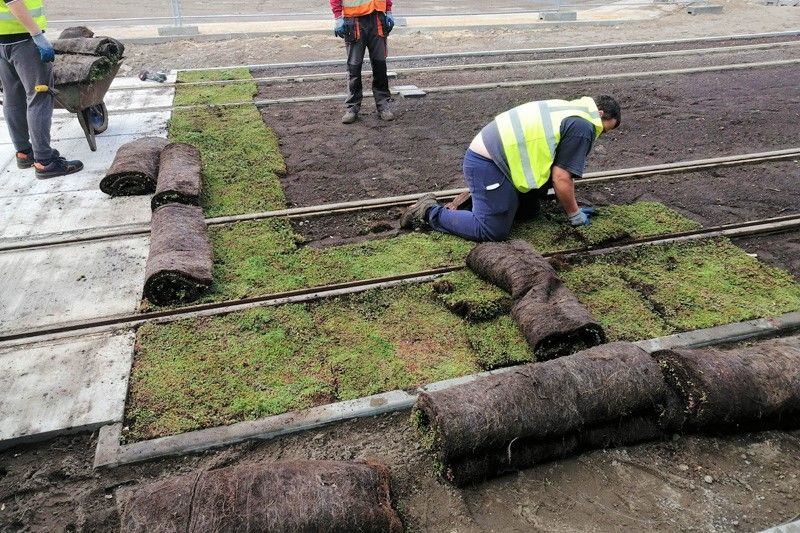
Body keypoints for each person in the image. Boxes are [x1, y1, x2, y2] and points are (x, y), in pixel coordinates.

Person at [400, 95, 621, 241]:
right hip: (488, 163)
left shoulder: (572, 110)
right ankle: (428, 211)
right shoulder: (584, 125)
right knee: (491, 231)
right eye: (604, 129)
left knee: (528, 212)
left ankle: (479, 202)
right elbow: (561, 177)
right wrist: (575, 214)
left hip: (501, 161)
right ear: (600, 114)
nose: (599, 135)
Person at [0, 0, 83, 179]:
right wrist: (37, 35)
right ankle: (45, 162)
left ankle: (24, 153)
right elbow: (14, 2)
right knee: (39, 95)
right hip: (23, 40)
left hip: (2, 42)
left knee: (12, 97)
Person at [330, 0, 394, 124]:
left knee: (380, 65)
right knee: (354, 67)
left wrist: (388, 9)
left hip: (377, 18)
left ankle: (383, 105)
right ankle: (352, 107)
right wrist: (338, 16)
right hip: (354, 20)